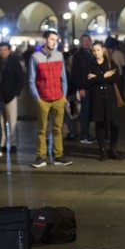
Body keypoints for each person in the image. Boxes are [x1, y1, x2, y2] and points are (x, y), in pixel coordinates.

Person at [29, 29, 72, 168]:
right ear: (45, 40)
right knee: (42, 129)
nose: (54, 42)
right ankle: (41, 157)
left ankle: (59, 155)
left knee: (57, 129)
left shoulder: (59, 56)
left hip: (58, 98)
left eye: (56, 39)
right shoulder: (35, 57)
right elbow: (31, 80)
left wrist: (64, 95)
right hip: (43, 99)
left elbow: (64, 77)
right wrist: (37, 98)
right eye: (52, 39)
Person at [86, 41, 122, 160]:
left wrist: (97, 78)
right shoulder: (90, 65)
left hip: (110, 97)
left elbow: (116, 78)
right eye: (94, 51)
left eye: (98, 50)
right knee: (99, 124)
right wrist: (104, 76)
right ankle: (102, 150)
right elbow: (89, 81)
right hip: (97, 98)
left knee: (115, 123)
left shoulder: (111, 63)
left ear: (103, 50)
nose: (96, 53)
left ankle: (113, 149)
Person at [0, 42, 25, 154]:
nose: (3, 52)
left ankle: (13, 144)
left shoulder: (14, 62)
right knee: (1, 122)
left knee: (12, 121)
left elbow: (20, 77)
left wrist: (16, 92)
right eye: (1, 50)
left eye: (5, 50)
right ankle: (2, 143)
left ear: (9, 51)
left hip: (10, 95)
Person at [71, 34, 95, 143]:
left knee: (89, 111)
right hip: (84, 87)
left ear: (90, 41)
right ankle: (84, 135)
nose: (85, 43)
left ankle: (87, 133)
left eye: (87, 41)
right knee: (84, 112)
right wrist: (80, 88)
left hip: (91, 87)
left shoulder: (91, 54)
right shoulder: (78, 55)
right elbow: (76, 73)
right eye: (83, 41)